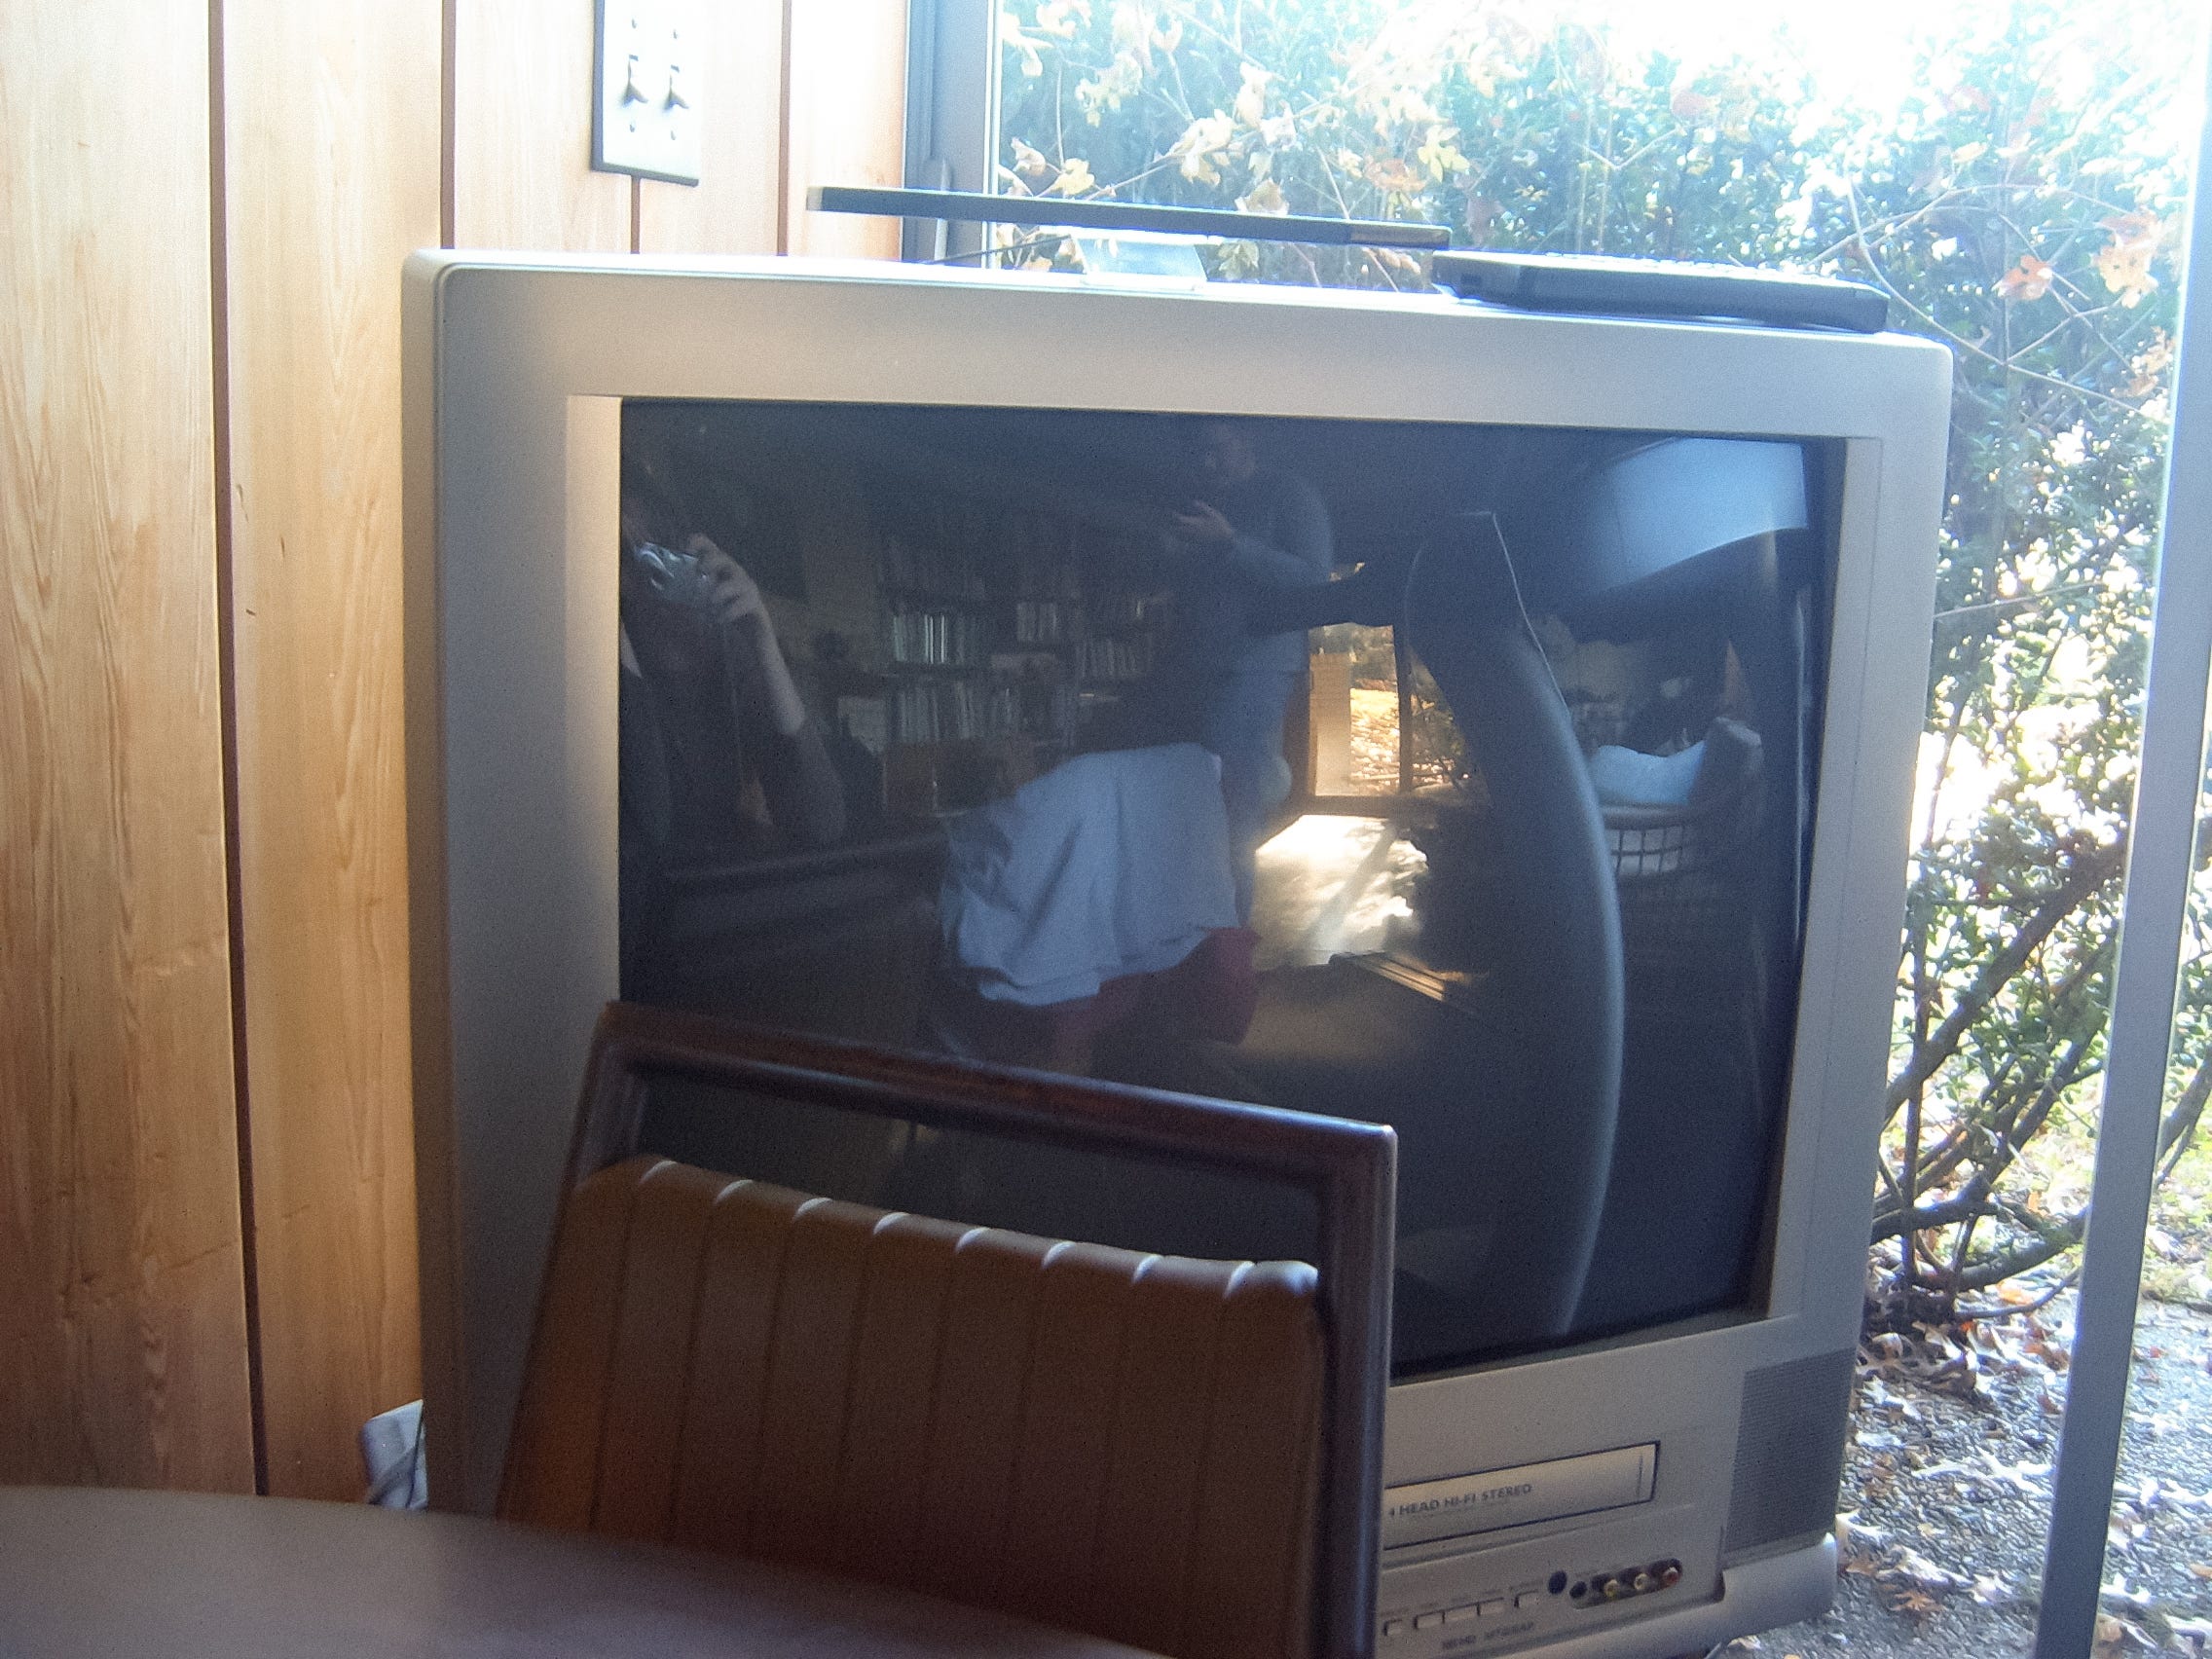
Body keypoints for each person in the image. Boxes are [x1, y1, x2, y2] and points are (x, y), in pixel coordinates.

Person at [617, 476, 845, 982]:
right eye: (627, 560)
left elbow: (822, 823)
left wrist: (761, 637)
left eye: (659, 552)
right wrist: (615, 643)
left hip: (722, 951)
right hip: (638, 963)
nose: (647, 576)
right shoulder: (590, 678)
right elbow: (652, 834)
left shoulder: (721, 659)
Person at [1161, 419, 1333, 918]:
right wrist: (1171, 562)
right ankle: (1193, 928)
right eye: (1198, 452)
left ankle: (1230, 936)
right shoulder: (1201, 504)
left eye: (1217, 449)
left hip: (1256, 667)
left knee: (1234, 804)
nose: (1207, 463)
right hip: (1193, 667)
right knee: (1192, 801)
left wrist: (1230, 542)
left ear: (1249, 440)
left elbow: (1314, 581)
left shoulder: (1289, 493)